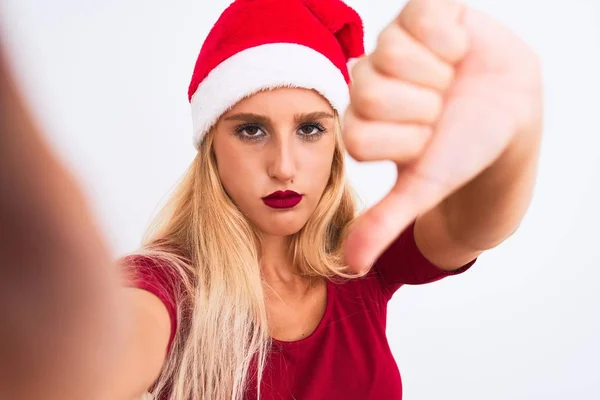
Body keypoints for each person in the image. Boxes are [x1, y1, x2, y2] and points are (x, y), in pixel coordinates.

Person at [0, 0, 542, 399]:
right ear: (212, 145)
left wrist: (518, 130)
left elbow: (474, 225)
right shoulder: (166, 286)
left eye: (309, 129)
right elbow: (94, 362)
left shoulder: (357, 263)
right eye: (251, 131)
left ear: (336, 140)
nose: (283, 165)